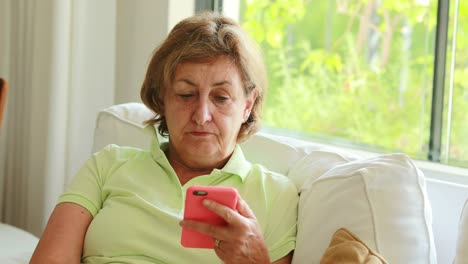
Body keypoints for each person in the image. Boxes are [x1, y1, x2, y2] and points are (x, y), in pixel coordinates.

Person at [30, 12, 298, 264]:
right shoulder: (107, 165)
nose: (202, 115)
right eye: (185, 94)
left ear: (247, 106)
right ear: (162, 99)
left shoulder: (275, 195)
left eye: (221, 98)